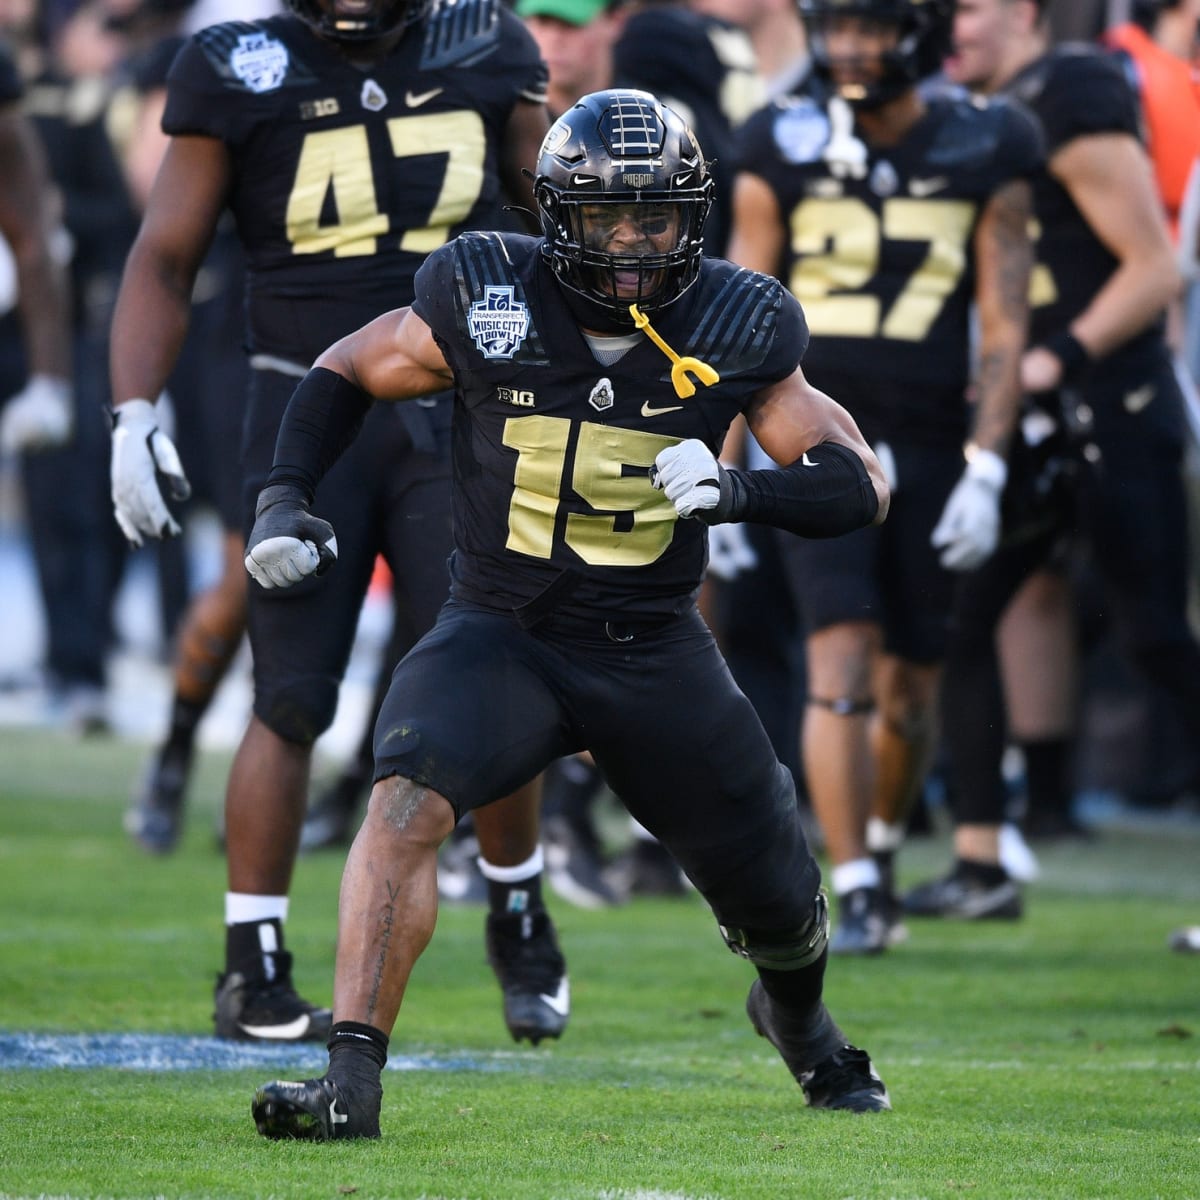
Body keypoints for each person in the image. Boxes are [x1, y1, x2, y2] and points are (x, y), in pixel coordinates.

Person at [246, 87, 892, 1139]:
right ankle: (348, 1087)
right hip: (503, 629)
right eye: (607, 217)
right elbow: (346, 365)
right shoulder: (484, 289)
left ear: (694, 215)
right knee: (403, 803)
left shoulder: (738, 316)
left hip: (653, 645)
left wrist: (741, 492)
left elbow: (860, 482)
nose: (634, 242)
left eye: (656, 216)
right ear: (555, 216)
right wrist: (283, 493)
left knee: (775, 891)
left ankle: (802, 1025)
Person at [108, 0, 572, 1047]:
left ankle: (519, 905)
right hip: (304, 414)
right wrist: (132, 410)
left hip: (464, 409)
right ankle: (252, 965)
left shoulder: (487, 43)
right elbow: (165, 252)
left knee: (496, 670)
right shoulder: (237, 62)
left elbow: (558, 234)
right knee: (292, 691)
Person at [728, 0, 1039, 952]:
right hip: (814, 430)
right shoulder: (776, 137)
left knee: (912, 682)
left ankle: (882, 844)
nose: (854, 48)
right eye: (841, 27)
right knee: (842, 652)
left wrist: (988, 465)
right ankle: (855, 884)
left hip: (939, 435)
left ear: (921, 30)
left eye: (874, 27)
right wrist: (734, 459)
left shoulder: (992, 140)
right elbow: (741, 309)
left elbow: (1004, 320)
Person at [902, 0, 1198, 919]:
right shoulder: (972, 111)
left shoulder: (1065, 91)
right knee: (962, 611)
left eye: (972, 9)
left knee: (1157, 635)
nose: (952, 26)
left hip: (1115, 406)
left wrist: (1050, 359)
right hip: (1037, 422)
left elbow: (1155, 267)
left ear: (1026, 12)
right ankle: (984, 861)